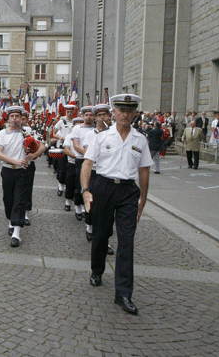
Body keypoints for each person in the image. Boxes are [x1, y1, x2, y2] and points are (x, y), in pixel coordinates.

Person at [81, 94, 153, 315]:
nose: (125, 114)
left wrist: (143, 199)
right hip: (103, 187)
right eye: (121, 110)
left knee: (126, 241)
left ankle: (123, 293)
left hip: (128, 192)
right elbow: (87, 163)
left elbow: (144, 170)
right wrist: (85, 191)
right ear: (114, 112)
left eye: (130, 111)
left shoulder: (140, 140)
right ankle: (97, 270)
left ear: (134, 114)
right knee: (101, 234)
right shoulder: (102, 137)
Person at [81, 103, 115, 255]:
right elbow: (89, 155)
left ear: (109, 116)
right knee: (93, 205)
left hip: (109, 174)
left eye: (105, 115)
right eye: (99, 115)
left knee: (107, 211)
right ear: (95, 117)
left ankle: (105, 241)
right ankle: (89, 225)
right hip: (94, 173)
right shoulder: (90, 134)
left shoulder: (114, 133)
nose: (102, 118)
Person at [0, 105, 29, 247]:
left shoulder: (27, 132)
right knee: (8, 199)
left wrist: (35, 152)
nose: (15, 119)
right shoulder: (2, 133)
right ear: (8, 118)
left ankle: (16, 233)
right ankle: (11, 220)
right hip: (8, 170)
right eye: (12, 117)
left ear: (22, 119)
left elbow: (39, 147)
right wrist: (15, 161)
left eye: (17, 117)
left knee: (19, 200)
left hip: (22, 171)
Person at [71, 106, 95, 221]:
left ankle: (88, 207)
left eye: (91, 115)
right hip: (81, 159)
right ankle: (78, 206)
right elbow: (76, 145)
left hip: (95, 161)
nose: (89, 117)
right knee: (79, 183)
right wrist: (88, 154)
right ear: (83, 116)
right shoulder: (77, 128)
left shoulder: (96, 128)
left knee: (92, 185)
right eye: (86, 115)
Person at [51, 104, 75, 197]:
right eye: (67, 111)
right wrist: (62, 138)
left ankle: (67, 185)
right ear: (65, 112)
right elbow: (54, 134)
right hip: (61, 147)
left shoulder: (75, 122)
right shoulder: (61, 122)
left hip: (72, 148)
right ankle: (60, 185)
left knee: (69, 169)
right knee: (61, 168)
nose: (69, 113)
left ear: (73, 112)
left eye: (71, 111)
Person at [63, 116, 84, 215]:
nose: (79, 125)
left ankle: (79, 204)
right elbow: (67, 150)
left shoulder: (87, 134)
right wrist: (77, 156)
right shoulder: (69, 136)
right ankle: (68, 200)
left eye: (81, 123)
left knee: (80, 184)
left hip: (83, 163)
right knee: (70, 183)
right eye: (77, 123)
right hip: (72, 163)